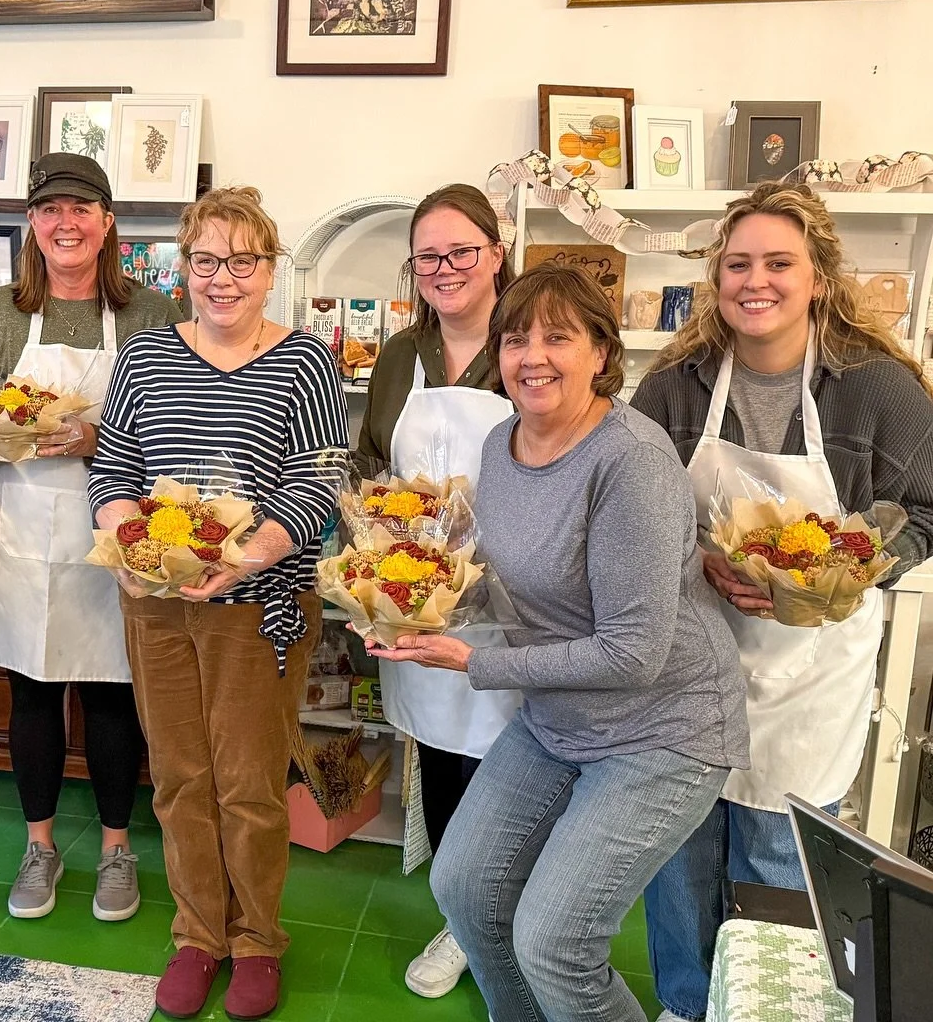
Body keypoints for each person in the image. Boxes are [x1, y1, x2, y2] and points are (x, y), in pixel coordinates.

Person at [371, 264, 750, 1022]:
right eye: (516, 340)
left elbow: (632, 653)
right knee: (464, 888)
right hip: (560, 719)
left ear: (602, 353)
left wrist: (475, 661)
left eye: (558, 337)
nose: (533, 357)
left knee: (555, 940)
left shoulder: (630, 461)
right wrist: (408, 604)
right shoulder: (501, 445)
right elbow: (502, 577)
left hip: (662, 732)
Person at [632, 181, 933, 1022]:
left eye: (778, 263)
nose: (755, 281)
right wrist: (695, 558)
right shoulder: (676, 386)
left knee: (774, 855)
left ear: (818, 279)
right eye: (737, 265)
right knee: (678, 850)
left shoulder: (877, 389)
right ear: (716, 279)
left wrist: (847, 573)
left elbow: (928, 509)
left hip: (811, 672)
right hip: (691, 659)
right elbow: (633, 508)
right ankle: (685, 1004)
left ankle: (758, 1008)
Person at [88, 186, 347, 1021]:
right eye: (205, 260)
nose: (222, 278)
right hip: (157, 606)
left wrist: (244, 557)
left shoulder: (305, 361)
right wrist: (130, 544)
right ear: (183, 268)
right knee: (178, 778)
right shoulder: (145, 356)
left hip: (256, 606)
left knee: (247, 784)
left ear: (269, 270)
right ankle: (198, 934)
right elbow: (113, 469)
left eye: (242, 261)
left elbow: (319, 483)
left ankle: (257, 940)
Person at [0, 153, 183, 923]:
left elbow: (167, 429)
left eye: (81, 208)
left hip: (115, 531)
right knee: (33, 692)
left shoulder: (150, 312)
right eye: (50, 209)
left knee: (114, 691)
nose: (66, 223)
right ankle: (40, 845)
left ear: (107, 222)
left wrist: (90, 437)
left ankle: (117, 848)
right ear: (32, 222)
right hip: (19, 532)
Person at [355, 183, 522, 999]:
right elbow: (369, 459)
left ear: (497, 253)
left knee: (512, 761)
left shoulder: (528, 342)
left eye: (463, 251)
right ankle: (462, 918)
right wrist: (377, 522)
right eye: (429, 256)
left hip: (514, 596)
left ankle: (509, 920)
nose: (446, 268)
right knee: (445, 755)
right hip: (418, 591)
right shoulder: (400, 356)